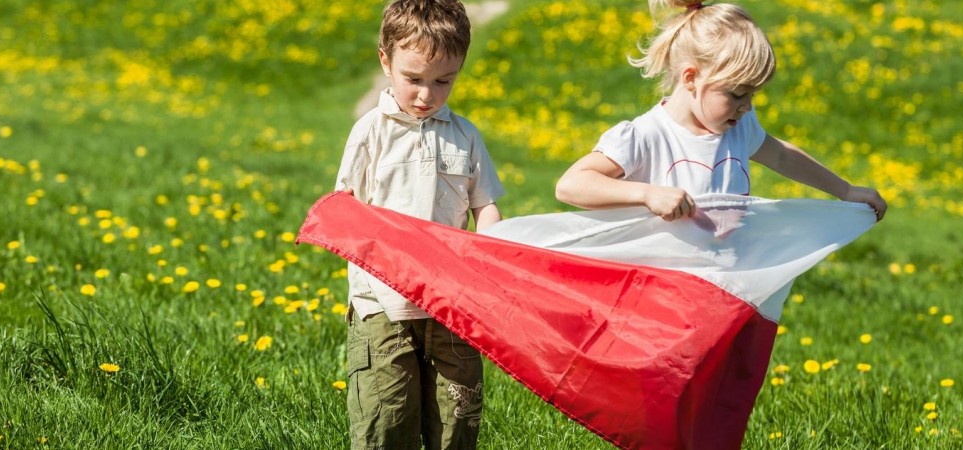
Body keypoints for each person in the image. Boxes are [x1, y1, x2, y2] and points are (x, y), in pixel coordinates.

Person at [333, 0, 505, 448]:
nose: (427, 95)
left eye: (443, 81)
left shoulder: (465, 136)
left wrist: (494, 257)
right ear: (385, 62)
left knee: (456, 421)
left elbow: (485, 207)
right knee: (385, 419)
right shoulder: (370, 132)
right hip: (382, 304)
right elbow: (347, 208)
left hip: (452, 305)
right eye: (414, 79)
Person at [555, 0, 887, 223]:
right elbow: (570, 185)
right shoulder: (646, 136)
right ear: (691, 77)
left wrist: (845, 190)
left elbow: (783, 157)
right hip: (659, 294)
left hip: (719, 285)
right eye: (737, 93)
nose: (747, 106)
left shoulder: (739, 127)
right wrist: (646, 194)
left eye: (752, 94)